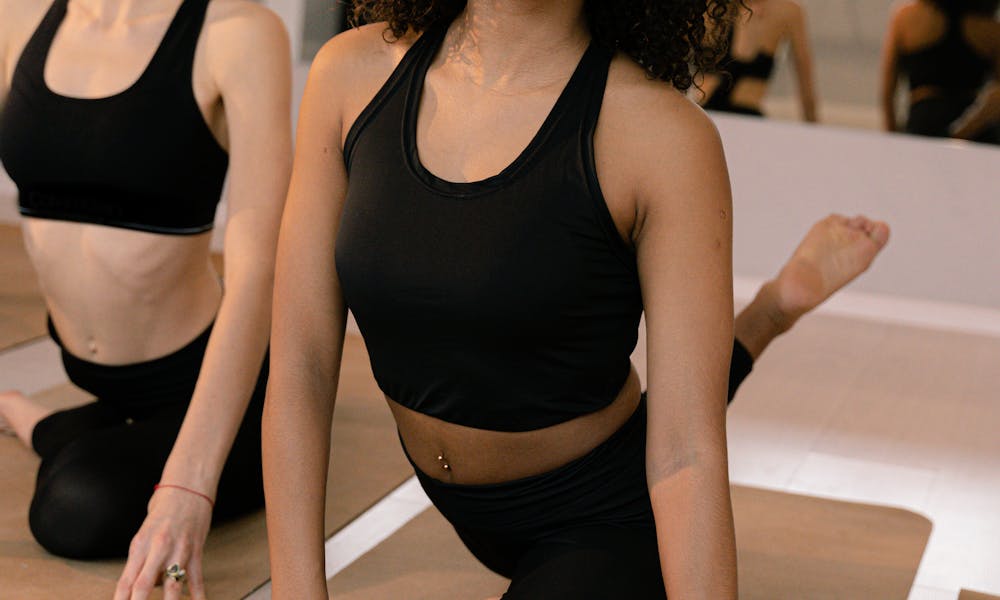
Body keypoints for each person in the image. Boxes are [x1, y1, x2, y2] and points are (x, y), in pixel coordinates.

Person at [261, 0, 889, 597]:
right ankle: (771, 309)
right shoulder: (349, 74)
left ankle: (772, 311)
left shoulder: (658, 134)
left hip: (603, 516)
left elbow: (683, 451)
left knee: (669, 406)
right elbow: (301, 367)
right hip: (463, 505)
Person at [0, 0, 290, 598]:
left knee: (74, 507)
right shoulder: (16, 19)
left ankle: (41, 424)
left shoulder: (237, 32)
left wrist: (188, 490)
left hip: (207, 378)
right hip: (93, 372)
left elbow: (261, 268)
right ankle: (66, 421)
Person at [881, 0, 1000, 143]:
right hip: (974, 128)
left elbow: (887, 92)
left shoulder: (907, 17)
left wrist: (892, 142)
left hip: (925, 124)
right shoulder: (989, 28)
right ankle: (958, 134)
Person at [701, 0, 818, 121]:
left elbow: (806, 86)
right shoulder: (708, 8)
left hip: (720, 115)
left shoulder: (788, 11)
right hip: (723, 115)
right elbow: (806, 88)